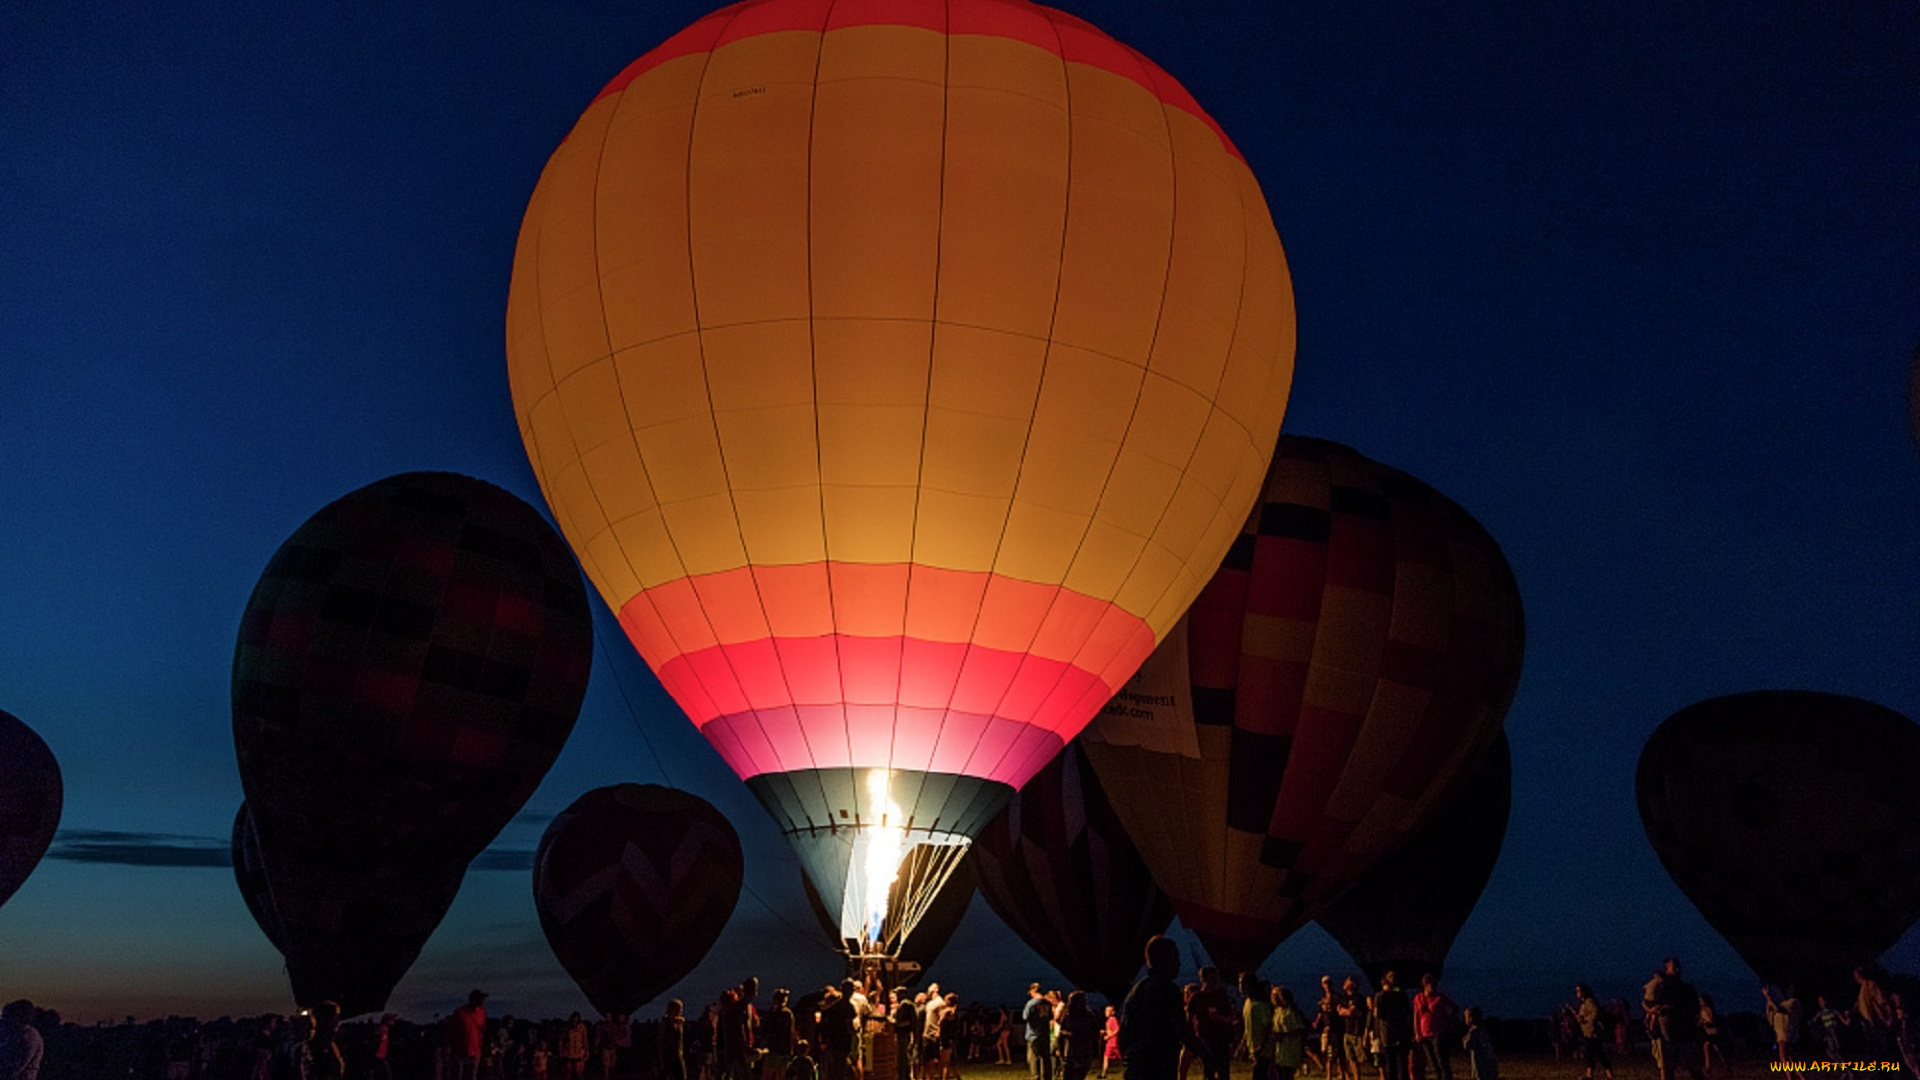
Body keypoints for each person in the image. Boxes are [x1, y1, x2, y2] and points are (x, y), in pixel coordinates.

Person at [1120, 936, 1205, 1080]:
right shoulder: (1168, 990)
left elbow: (1123, 1032)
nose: (1179, 963)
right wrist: (1206, 1055)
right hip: (1158, 1069)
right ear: (1163, 960)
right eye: (1176, 958)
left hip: (1136, 1069)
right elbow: (1183, 1030)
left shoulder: (1136, 991)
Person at [1641, 959, 1700, 1080]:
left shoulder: (1686, 988)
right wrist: (1652, 1011)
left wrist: (1674, 1008)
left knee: (1691, 1065)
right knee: (1666, 1066)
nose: (1677, 970)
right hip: (1663, 1030)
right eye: (1674, 967)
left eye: (1678, 967)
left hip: (1684, 1029)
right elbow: (1646, 1003)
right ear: (1667, 969)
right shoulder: (1659, 986)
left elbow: (1694, 1007)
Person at [1187, 967, 1235, 1080]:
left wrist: (1219, 1018)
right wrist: (1192, 1037)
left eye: (1215, 978)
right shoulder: (1196, 997)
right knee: (1209, 1071)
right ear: (1203, 979)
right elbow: (1189, 1018)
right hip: (1205, 1039)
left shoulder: (1221, 996)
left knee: (1223, 1071)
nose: (1214, 981)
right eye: (1211, 978)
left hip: (1221, 1038)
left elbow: (1230, 1018)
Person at [1413, 976, 1457, 1080]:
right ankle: (1439, 1077)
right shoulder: (1418, 998)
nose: (1432, 986)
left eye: (1434, 984)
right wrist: (1417, 1032)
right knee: (1432, 1061)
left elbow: (1454, 1008)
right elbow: (1416, 1016)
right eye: (1430, 984)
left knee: (1441, 1059)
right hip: (1424, 1034)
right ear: (1425, 985)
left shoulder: (1440, 998)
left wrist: (1448, 1021)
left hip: (1438, 1032)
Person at [1373, 974, 1413, 1080]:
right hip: (1402, 1032)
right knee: (1402, 1064)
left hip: (1388, 1033)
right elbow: (1408, 1014)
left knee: (1390, 1064)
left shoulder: (1380, 996)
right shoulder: (1403, 995)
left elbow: (1378, 1014)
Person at [1571, 985, 1612, 1080]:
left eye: (1578, 991)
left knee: (1592, 1053)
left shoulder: (1589, 1001)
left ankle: (1593, 1074)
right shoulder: (1583, 1003)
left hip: (1593, 1032)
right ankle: (1605, 1074)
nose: (1577, 993)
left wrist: (1584, 1019)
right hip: (1588, 1032)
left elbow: (1595, 1013)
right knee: (1596, 1053)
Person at [446, 992, 488, 1080]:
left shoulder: (481, 1012)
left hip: (475, 1051)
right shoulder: (460, 1012)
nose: (483, 1001)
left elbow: (482, 1030)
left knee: (472, 1077)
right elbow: (451, 1029)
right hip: (460, 1052)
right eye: (480, 998)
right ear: (473, 999)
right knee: (457, 1076)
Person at [821, 983, 859, 1080]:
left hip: (833, 1042)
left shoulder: (834, 1007)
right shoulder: (849, 1007)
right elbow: (850, 1025)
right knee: (841, 1070)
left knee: (833, 1070)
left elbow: (825, 1022)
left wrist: (825, 1040)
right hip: (843, 1043)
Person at [1241, 975, 1275, 1080]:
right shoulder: (1247, 1002)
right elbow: (1248, 1026)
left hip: (1264, 1051)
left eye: (1242, 983)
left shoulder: (1260, 1005)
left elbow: (1268, 1028)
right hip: (1254, 1049)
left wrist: (1261, 1047)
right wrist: (1242, 1043)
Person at [1855, 968, 1896, 1058]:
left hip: (1879, 1022)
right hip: (1870, 1023)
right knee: (1877, 1051)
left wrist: (1890, 1018)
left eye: (1856, 974)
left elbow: (1883, 1001)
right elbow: (1861, 1005)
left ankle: (1895, 1069)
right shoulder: (1862, 989)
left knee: (1887, 1049)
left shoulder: (1871, 985)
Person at [0, 1000, 45, 1080]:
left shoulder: (28, 1037)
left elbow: (10, 1070)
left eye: (6, 1017)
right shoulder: (16, 1035)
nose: (3, 1021)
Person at [1337, 979, 1370, 1080]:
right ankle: (1356, 1078)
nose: (1345, 984)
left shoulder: (1358, 998)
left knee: (1362, 1058)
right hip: (1347, 1031)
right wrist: (1344, 1011)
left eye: (1348, 982)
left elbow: (1350, 1012)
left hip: (1357, 1031)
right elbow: (1339, 1011)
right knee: (1350, 1058)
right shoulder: (1343, 998)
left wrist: (1344, 1011)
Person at [1274, 987, 1309, 1080]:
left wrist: (1284, 1035)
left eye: (1276, 995)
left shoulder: (1291, 1012)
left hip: (1290, 1051)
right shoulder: (1277, 1011)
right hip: (1280, 1051)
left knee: (1286, 1075)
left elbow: (1299, 1030)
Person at [1762, 986, 1800, 1066]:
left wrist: (1767, 997)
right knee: (1790, 1059)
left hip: (1784, 1034)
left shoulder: (1792, 1003)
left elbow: (1777, 1009)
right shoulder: (1786, 1004)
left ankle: (1791, 1077)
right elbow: (1771, 1013)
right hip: (1785, 1033)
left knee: (1783, 1058)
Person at [1023, 983, 1055, 1080]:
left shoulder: (1031, 1003)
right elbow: (1050, 1017)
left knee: (1033, 1058)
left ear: (1033, 991)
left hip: (1033, 1035)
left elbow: (1025, 1017)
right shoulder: (1047, 1003)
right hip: (1044, 1034)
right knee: (1045, 1058)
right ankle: (1047, 1077)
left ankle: (1035, 1077)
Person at [765, 988, 797, 1080]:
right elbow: (791, 1033)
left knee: (768, 1075)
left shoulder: (773, 1013)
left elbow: (767, 1030)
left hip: (774, 1050)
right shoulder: (788, 1014)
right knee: (781, 1076)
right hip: (784, 1051)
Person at [892, 988, 920, 1080]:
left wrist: (893, 1021)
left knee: (902, 1058)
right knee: (906, 1057)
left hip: (904, 1034)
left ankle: (903, 1077)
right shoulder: (908, 1004)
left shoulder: (904, 1004)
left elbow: (900, 1020)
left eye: (898, 994)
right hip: (908, 1034)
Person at [1810, 996, 1847, 1062]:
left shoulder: (1833, 1011)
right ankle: (1841, 1065)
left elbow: (1845, 1022)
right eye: (1820, 1002)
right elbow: (1813, 1021)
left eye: (1823, 1001)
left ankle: (1844, 1066)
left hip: (1835, 1032)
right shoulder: (1821, 1013)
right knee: (1830, 1052)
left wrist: (1848, 1016)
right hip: (1828, 1033)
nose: (1822, 1003)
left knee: (1836, 1051)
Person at [1460, 1010, 1493, 1080]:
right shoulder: (1483, 1029)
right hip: (1489, 1058)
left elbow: (1468, 1045)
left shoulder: (1473, 1032)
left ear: (1470, 1018)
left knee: (1480, 1075)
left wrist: (1464, 1040)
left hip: (1479, 1059)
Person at [660, 1002, 689, 1080]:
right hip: (668, 1054)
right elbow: (660, 1038)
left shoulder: (680, 1021)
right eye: (680, 1008)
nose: (681, 1010)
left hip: (678, 1053)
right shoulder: (666, 1021)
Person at [1696, 995, 1723, 1076]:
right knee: (1717, 1049)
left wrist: (1704, 1022)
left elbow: (1711, 1021)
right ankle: (1726, 1066)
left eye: (1701, 1000)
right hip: (1707, 1033)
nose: (1700, 1002)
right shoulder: (1700, 1010)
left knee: (1707, 1046)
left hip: (1714, 1032)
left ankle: (1708, 1068)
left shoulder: (1709, 1010)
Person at [561, 1013, 592, 1080]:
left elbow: (584, 1039)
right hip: (569, 1051)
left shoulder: (582, 1027)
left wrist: (587, 1051)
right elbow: (561, 1040)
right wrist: (561, 1051)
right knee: (569, 1071)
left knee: (579, 1071)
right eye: (573, 1020)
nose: (575, 1022)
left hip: (579, 1051)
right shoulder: (567, 1028)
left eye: (576, 1020)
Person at [1101, 1007, 1121, 1080]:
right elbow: (1111, 1030)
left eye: (1107, 1011)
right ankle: (1103, 1074)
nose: (1105, 1012)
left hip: (1113, 1042)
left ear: (1112, 1012)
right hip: (1110, 1042)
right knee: (1106, 1057)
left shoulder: (1113, 1019)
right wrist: (1105, 1032)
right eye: (1105, 1010)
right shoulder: (1109, 1020)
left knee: (1119, 1057)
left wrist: (1108, 1036)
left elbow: (1117, 1029)